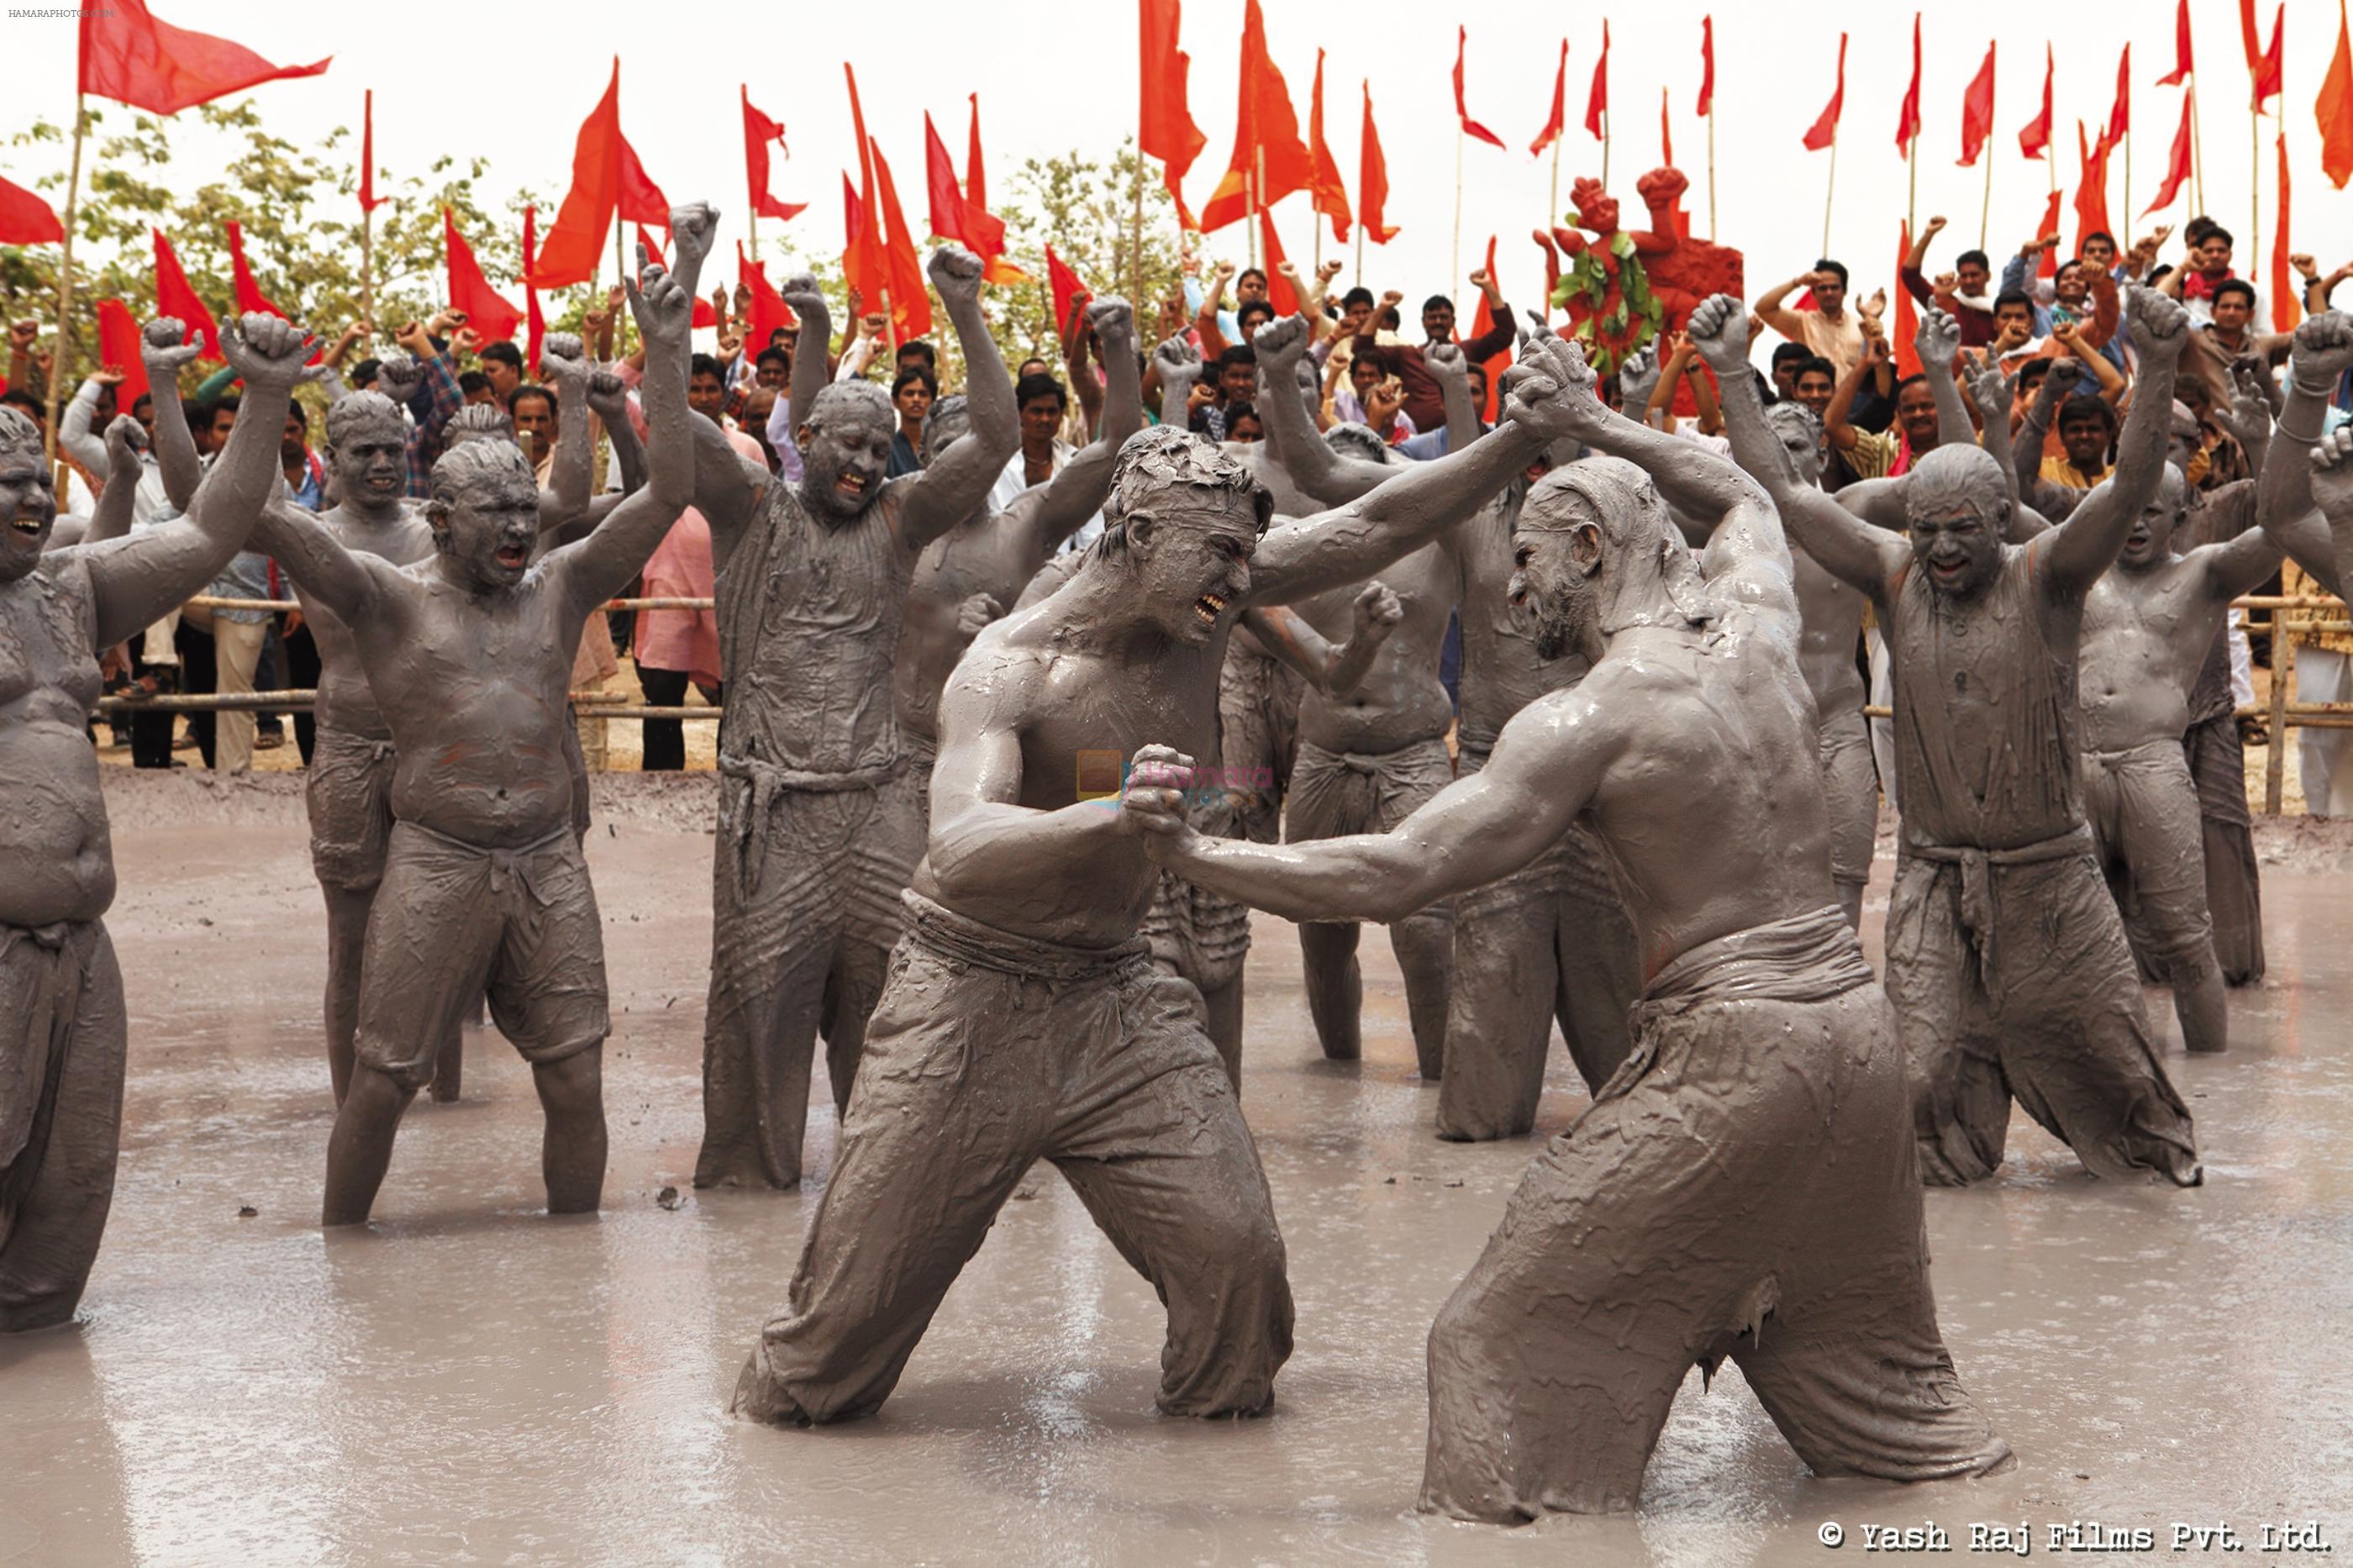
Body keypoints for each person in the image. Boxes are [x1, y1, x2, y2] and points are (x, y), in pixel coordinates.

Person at [1124, 327, 2010, 1522]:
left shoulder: (1583, 719)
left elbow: (1401, 867)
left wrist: (1191, 850)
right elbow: (1744, 489)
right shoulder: (1756, 620)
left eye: (1531, 561)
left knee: (1491, 1345)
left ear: (1589, 548)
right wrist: (1593, 419)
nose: (1515, 588)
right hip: (1855, 1038)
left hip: (1736, 1055)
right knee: (1880, 1403)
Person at [732, 348, 1581, 1429]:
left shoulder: (1215, 591)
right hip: (966, 1000)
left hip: (1116, 994)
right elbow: (956, 847)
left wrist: (1516, 438)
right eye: (1216, 560)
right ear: (1134, 542)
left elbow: (1372, 526)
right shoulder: (1010, 662)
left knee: (1240, 1282)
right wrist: (1108, 814)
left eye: (1244, 559)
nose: (1239, 581)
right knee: (827, 1353)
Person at [251, 211, 707, 1226]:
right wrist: (266, 396)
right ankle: (346, 1250)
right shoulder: (388, 596)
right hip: (439, 854)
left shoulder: (562, 583)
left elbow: (667, 486)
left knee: (575, 1079)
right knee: (384, 1075)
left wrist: (664, 349)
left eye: (521, 512)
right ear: (440, 521)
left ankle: (574, 1261)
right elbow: (253, 514)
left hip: (547, 855)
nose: (513, 528)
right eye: (490, 515)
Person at [1715, 283, 2202, 1188]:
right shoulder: (1892, 574)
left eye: (1962, 534)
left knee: (2119, 1079)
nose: (1941, 551)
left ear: (1998, 527)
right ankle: (1943, 1212)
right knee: (1920, 1077)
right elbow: (1781, 495)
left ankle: (2147, 1187)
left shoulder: (2047, 576)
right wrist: (1728, 377)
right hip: (1934, 876)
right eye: (1926, 531)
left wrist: (2162, 361)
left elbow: (2130, 485)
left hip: (2050, 875)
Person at [682, 245, 1019, 1192]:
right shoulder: (752, 512)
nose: (866, 465)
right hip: (775, 806)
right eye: (849, 445)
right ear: (805, 434)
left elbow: (992, 440)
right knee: (760, 1006)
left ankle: (890, 1180)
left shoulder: (899, 521)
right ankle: (752, 1191)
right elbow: (678, 433)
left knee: (894, 999)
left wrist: (964, 312)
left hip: (877, 801)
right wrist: (673, 318)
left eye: (881, 450)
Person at [0, 312, 308, 1329]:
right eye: (11, 487)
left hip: (84, 944)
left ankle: (55, 1445)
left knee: (68, 1197)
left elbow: (211, 531)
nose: (36, 500)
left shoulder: (69, 589)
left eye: (42, 481)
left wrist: (262, 398)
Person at [2076, 461, 2283, 1057]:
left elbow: (2280, 529)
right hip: (2077, 764)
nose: (2136, 523)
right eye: (2127, 507)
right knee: (2075, 935)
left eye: (2153, 511)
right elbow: (2003, 511)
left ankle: (2214, 1087)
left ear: (2181, 517)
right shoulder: (2073, 566)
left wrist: (2270, 432)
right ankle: (2100, 1072)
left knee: (2187, 937)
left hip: (2151, 762)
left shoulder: (2204, 573)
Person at [887, 366, 933, 478]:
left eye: (923, 394)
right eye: (909, 393)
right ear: (895, 401)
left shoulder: (941, 446)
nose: (916, 399)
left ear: (933, 402)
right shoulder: (887, 448)